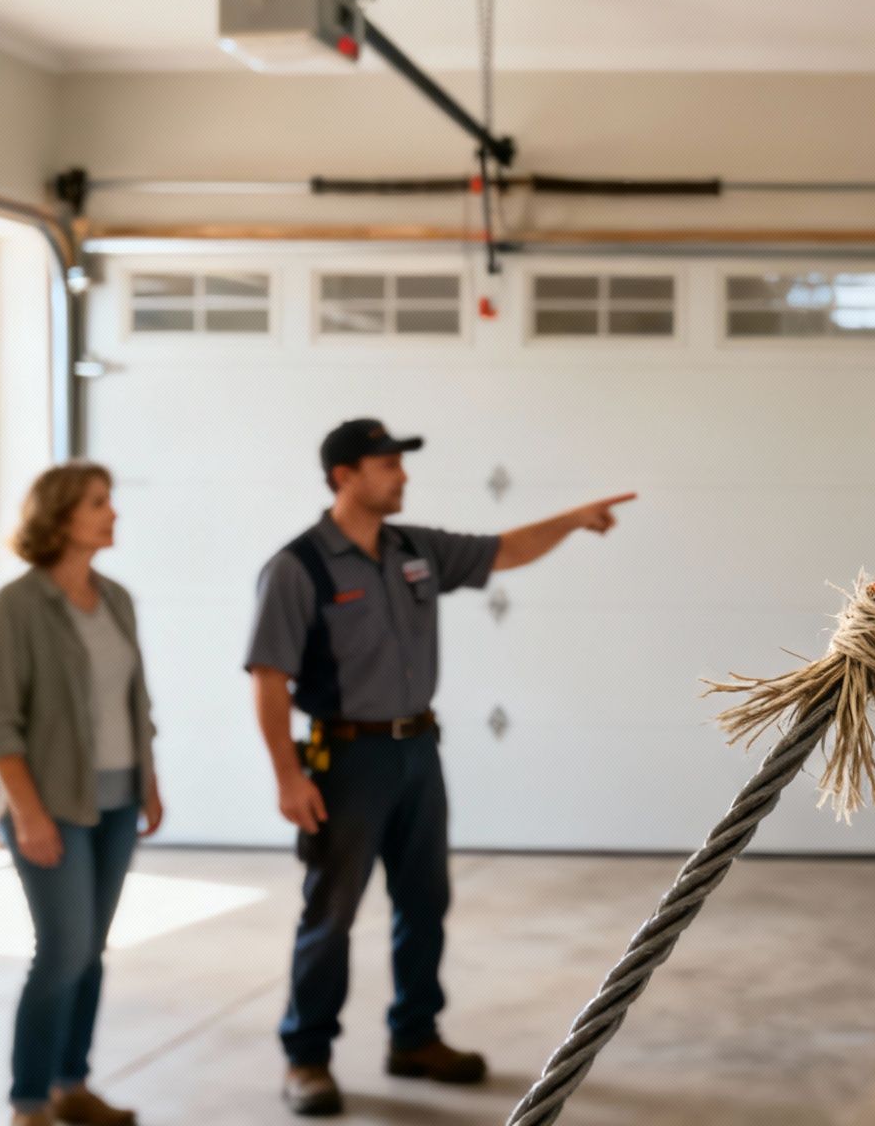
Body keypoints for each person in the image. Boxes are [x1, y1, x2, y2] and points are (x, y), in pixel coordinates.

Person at [246, 418, 634, 1117]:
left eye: (401, 463)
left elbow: (506, 550)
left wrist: (573, 521)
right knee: (330, 913)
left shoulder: (414, 550)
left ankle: (415, 1038)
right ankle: (307, 1058)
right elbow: (269, 678)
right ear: (344, 476)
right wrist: (287, 776)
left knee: (425, 903)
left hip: (418, 751)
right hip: (346, 757)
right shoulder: (297, 567)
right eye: (386, 464)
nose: (402, 475)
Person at [0, 461, 163, 1126]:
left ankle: (71, 1085)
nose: (112, 513)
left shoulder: (116, 599)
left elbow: (136, 703)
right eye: (98, 503)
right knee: (62, 950)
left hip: (116, 801)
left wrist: (150, 783)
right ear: (59, 516)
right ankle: (30, 1103)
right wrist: (29, 815)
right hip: (48, 807)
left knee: (92, 951)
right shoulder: (15, 608)